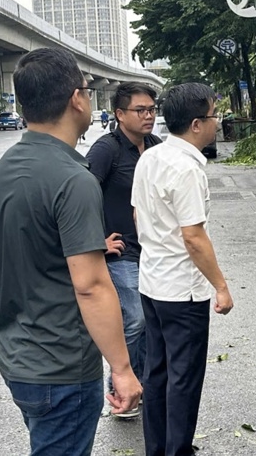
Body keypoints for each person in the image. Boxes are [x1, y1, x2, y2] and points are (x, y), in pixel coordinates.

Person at [0, 47, 142, 455]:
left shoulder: (4, 169)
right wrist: (122, 370)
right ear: (76, 98)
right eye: (89, 91)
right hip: (62, 367)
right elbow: (90, 285)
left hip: (17, 356)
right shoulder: (73, 178)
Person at [131, 82, 234, 456]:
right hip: (182, 291)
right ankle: (178, 450)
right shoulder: (187, 168)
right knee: (184, 378)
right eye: (213, 115)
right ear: (195, 123)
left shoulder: (150, 157)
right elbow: (193, 236)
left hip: (152, 283)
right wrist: (220, 286)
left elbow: (137, 214)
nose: (217, 122)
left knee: (157, 372)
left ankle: (157, 449)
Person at [86, 82, 162, 420]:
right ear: (119, 114)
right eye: (140, 110)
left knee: (149, 322)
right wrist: (98, 238)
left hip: (153, 252)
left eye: (151, 110)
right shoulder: (107, 150)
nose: (148, 116)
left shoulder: (156, 147)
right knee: (133, 319)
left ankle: (140, 386)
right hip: (121, 253)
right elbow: (82, 193)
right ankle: (120, 390)